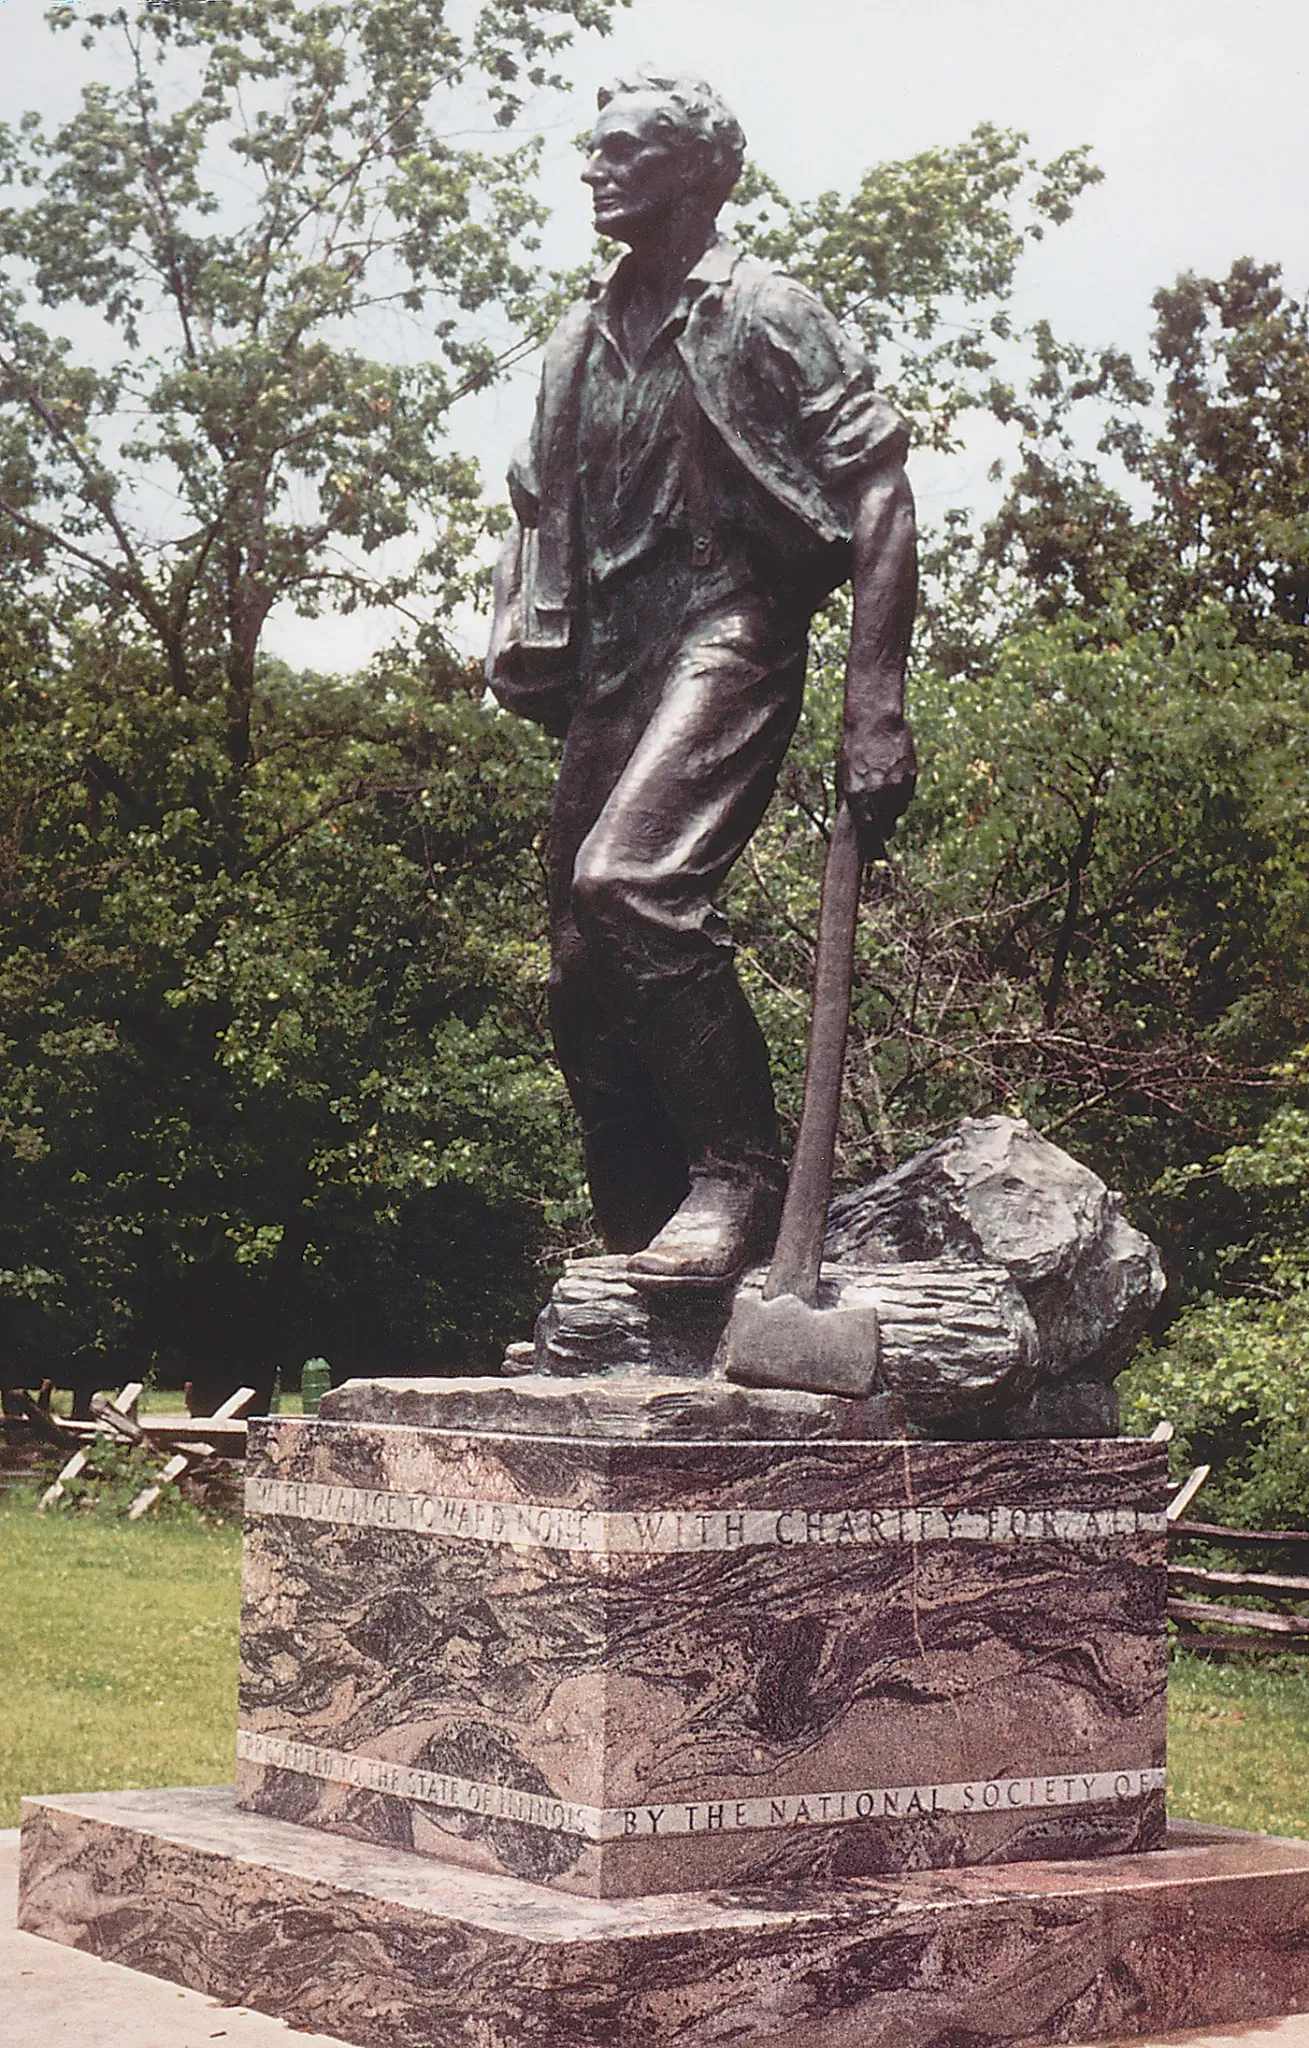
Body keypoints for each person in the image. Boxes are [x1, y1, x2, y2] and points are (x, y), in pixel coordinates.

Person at [488, 68, 917, 1292]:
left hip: (732, 620)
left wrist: (874, 700)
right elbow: (537, 506)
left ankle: (739, 1172)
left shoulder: (766, 311)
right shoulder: (576, 336)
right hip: (613, 652)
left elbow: (878, 497)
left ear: (696, 168)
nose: (591, 168)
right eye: (592, 149)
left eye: (622, 149)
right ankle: (637, 1263)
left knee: (632, 882)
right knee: (580, 967)